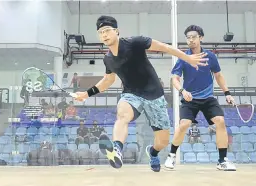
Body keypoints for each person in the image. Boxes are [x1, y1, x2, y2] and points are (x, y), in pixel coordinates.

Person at [73, 16, 208, 172]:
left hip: (154, 94)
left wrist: (187, 58)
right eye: (101, 32)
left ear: (116, 31)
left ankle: (153, 152)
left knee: (163, 141)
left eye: (107, 30)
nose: (104, 34)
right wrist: (86, 94)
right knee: (122, 114)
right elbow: (107, 80)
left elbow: (164, 47)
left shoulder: (134, 42)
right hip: (131, 94)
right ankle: (116, 149)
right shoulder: (108, 59)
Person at [164, 25, 236, 171]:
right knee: (184, 124)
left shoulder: (210, 57)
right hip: (190, 98)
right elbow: (174, 78)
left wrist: (227, 93)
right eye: (188, 38)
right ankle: (171, 156)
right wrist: (182, 91)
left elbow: (218, 76)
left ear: (201, 38)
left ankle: (222, 160)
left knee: (220, 122)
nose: (190, 40)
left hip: (208, 98)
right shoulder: (184, 58)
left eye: (194, 37)